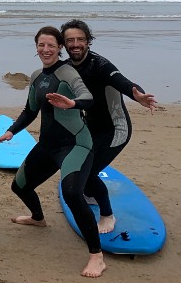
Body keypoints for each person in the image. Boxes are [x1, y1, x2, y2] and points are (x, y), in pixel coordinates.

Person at [0, 27, 104, 278]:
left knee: (72, 193)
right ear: (36, 47)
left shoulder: (68, 72)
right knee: (19, 186)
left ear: (60, 47)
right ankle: (38, 218)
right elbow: (30, 110)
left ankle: (96, 255)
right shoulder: (36, 76)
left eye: (51, 45)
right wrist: (11, 131)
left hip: (75, 144)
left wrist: (73, 103)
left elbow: (88, 97)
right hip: (48, 146)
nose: (46, 50)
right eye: (41, 45)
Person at [61, 19, 158, 234]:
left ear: (88, 41)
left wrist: (138, 95)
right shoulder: (67, 68)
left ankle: (107, 214)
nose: (75, 44)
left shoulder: (101, 65)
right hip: (91, 128)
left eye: (80, 39)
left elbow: (122, 82)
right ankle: (90, 193)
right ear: (64, 44)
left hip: (116, 129)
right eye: (70, 40)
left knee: (89, 172)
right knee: (82, 170)